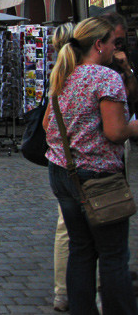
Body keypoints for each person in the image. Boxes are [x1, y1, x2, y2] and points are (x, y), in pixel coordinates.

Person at [42, 17, 138, 315]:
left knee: (81, 251)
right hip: (98, 176)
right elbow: (115, 132)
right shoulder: (105, 78)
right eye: (113, 43)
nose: (114, 49)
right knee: (112, 255)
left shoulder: (63, 74)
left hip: (62, 171)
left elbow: (47, 124)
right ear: (99, 44)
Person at [46, 23, 75, 312]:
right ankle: (101, 289)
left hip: (60, 163)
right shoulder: (99, 77)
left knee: (65, 228)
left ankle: (62, 292)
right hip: (92, 166)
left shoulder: (58, 77)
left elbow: (45, 124)